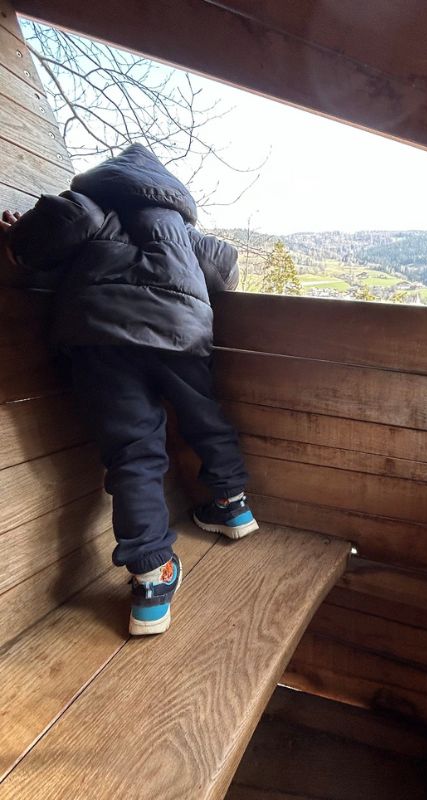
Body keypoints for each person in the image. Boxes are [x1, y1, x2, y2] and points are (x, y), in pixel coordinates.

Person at [0, 144, 258, 636]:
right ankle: (231, 504)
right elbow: (225, 266)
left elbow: (56, 224)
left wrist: (19, 237)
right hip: (182, 335)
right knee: (203, 414)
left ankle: (151, 576)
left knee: (133, 450)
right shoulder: (181, 228)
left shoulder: (93, 204)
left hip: (103, 339)